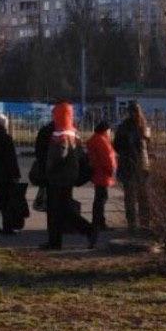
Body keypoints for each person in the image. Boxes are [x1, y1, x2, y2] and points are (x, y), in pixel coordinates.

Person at [43, 101, 93, 250]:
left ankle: (88, 230)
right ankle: (55, 241)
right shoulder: (73, 131)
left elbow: (60, 154)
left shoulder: (61, 133)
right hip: (69, 176)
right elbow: (80, 155)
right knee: (62, 209)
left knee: (60, 210)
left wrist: (49, 168)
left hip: (58, 177)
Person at [114, 101, 152, 233]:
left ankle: (140, 223)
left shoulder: (132, 127)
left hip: (137, 165)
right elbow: (117, 146)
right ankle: (138, 224)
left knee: (139, 197)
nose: (134, 113)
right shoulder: (138, 127)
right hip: (135, 165)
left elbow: (116, 146)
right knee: (137, 197)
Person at [86, 120, 117, 237]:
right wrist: (111, 171)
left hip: (98, 173)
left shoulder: (95, 139)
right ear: (105, 130)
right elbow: (107, 158)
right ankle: (99, 223)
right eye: (109, 130)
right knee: (101, 199)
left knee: (99, 198)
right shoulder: (102, 141)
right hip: (103, 174)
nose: (110, 133)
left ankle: (98, 222)